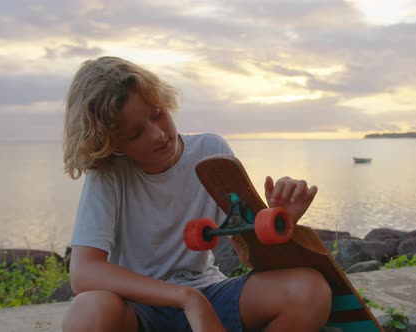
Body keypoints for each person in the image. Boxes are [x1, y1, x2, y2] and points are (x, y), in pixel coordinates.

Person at [61, 56, 332, 332]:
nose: (157, 135)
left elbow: (249, 254)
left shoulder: (210, 153)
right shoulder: (109, 174)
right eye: (135, 134)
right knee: (87, 313)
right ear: (113, 144)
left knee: (309, 291)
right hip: (136, 307)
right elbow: (83, 273)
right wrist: (187, 298)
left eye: (157, 114)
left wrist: (281, 221)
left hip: (209, 292)